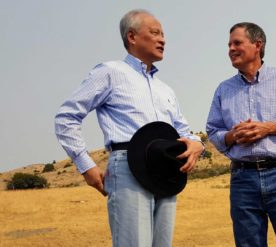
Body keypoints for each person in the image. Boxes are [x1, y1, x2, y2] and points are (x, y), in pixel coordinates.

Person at [55, 9, 204, 247]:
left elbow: (183, 130)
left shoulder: (165, 89)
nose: (162, 39)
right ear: (132, 37)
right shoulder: (110, 72)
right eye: (155, 33)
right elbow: (66, 117)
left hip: (166, 167)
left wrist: (197, 144)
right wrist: (86, 166)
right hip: (127, 166)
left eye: (163, 34)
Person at [206, 22, 276, 247]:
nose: (231, 49)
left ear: (257, 45)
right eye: (229, 45)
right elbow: (213, 131)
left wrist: (268, 127)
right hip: (242, 180)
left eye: (237, 43)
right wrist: (232, 136)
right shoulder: (223, 89)